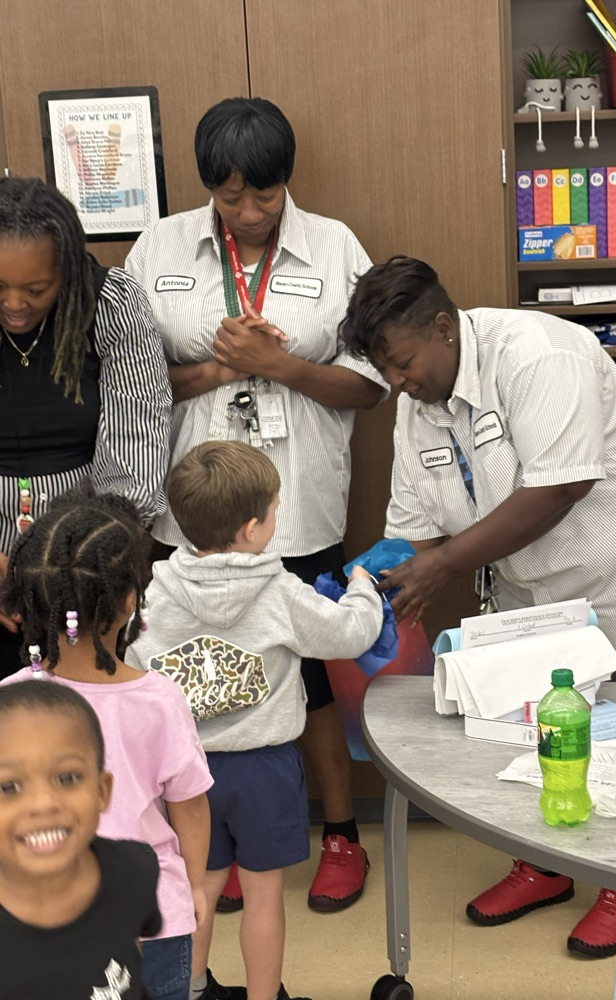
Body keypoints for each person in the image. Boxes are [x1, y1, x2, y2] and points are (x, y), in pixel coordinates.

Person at [341, 254, 616, 958]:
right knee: (544, 725)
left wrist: (446, 564)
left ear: (442, 326)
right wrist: (371, 581)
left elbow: (562, 487)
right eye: (386, 371)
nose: (397, 383)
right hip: (547, 596)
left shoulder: (536, 354)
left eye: (402, 362)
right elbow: (413, 530)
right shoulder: (416, 409)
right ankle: (549, 866)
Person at [125, 96, 386, 916]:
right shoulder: (159, 246)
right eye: (229, 197)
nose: (246, 213)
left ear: (287, 181)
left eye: (263, 197)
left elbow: (374, 384)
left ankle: (340, 832)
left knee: (304, 675)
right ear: (207, 188)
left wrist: (280, 367)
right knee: (197, 678)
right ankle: (220, 837)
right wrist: (214, 369)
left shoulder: (335, 246)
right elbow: (127, 383)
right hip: (191, 517)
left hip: (293, 510)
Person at [126, 440, 384, 1000]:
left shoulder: (153, 597)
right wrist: (362, 587)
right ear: (250, 529)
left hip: (183, 777)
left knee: (198, 887)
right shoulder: (280, 591)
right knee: (264, 894)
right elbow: (349, 635)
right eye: (273, 511)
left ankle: (188, 988)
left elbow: (133, 671)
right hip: (265, 769)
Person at [1, 485, 214, 1000]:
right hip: (153, 913)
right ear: (129, 601)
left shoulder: (11, 700)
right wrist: (198, 885)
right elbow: (190, 807)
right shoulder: (160, 700)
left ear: (31, 603)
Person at [0, 175, 172, 679]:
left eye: (36, 289)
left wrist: (72, 569)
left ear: (69, 269)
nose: (14, 303)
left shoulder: (112, 305)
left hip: (84, 558)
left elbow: (135, 441)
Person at [0, 679, 162, 1000]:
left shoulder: (135, 869)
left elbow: (129, 946)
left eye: (67, 778)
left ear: (102, 791)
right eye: (9, 787)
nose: (43, 803)